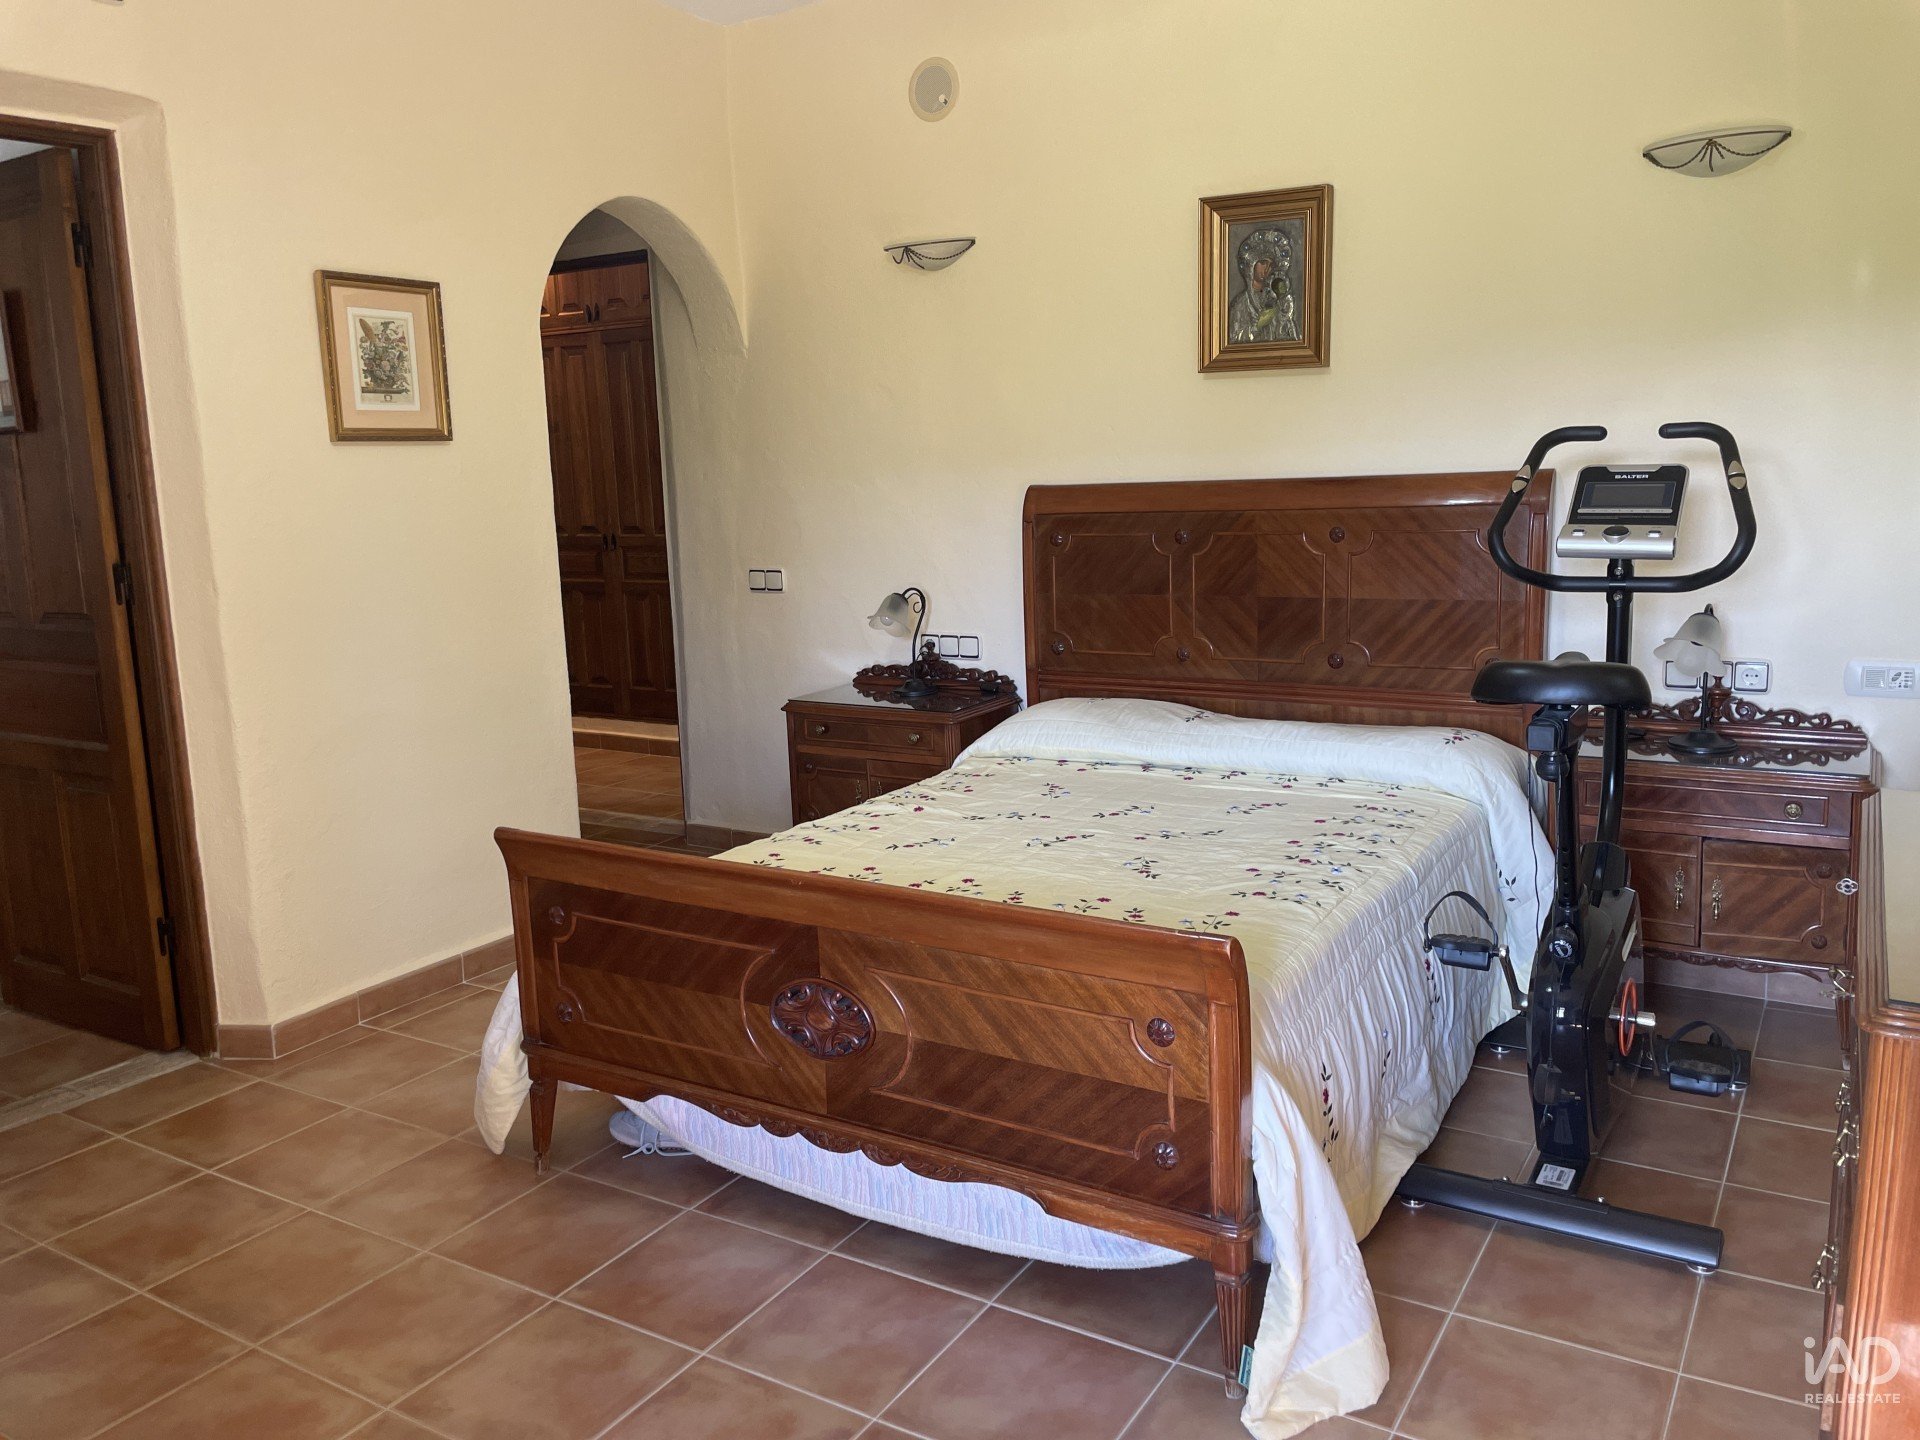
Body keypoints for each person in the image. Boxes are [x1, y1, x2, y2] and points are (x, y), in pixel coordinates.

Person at [1227, 227, 1301, 344]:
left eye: (1271, 265)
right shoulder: (1240, 304)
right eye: (1262, 263)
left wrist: (1283, 315)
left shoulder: (1278, 300)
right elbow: (1233, 338)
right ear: (1251, 266)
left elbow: (1290, 336)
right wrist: (1260, 323)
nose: (1267, 268)